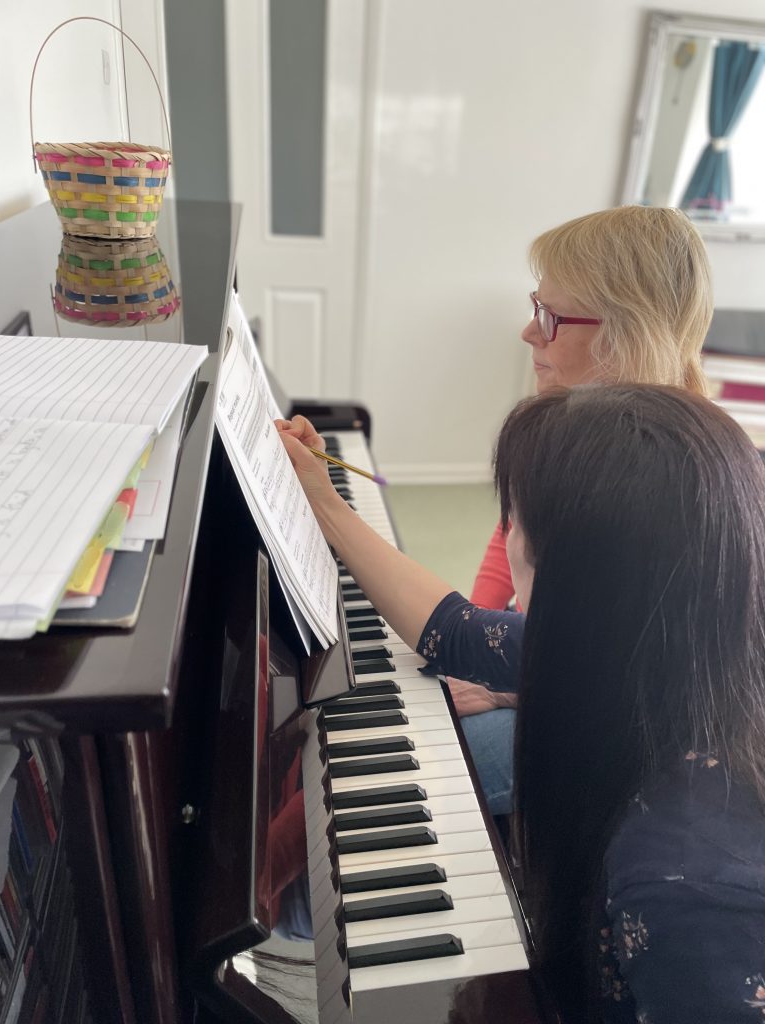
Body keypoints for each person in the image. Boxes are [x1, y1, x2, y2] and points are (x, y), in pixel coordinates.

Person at [276, 384, 765, 1023]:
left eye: (517, 528)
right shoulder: (656, 640)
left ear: (574, 589)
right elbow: (450, 629)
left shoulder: (684, 882)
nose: (506, 543)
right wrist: (320, 499)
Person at [452, 204, 713, 819]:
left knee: (437, 753)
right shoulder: (564, 425)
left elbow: (663, 685)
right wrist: (478, 632)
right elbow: (509, 530)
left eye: (550, 316)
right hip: (545, 660)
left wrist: (511, 685)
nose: (528, 331)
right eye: (533, 305)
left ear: (628, 333)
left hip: (625, 733)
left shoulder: (671, 482)